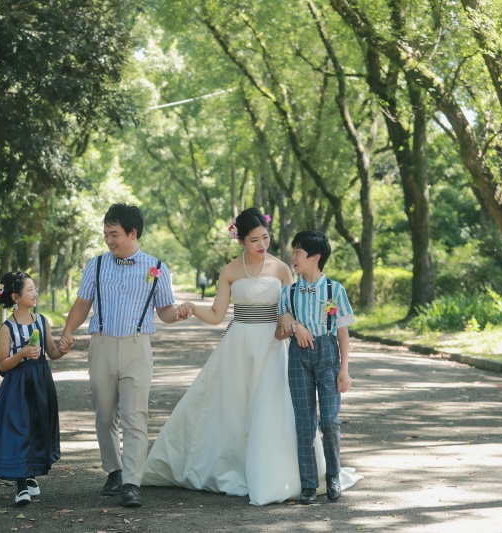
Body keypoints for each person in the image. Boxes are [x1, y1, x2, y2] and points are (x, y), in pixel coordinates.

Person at [141, 209, 360, 505]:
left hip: (273, 345)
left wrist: (292, 324)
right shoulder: (230, 271)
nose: (262, 244)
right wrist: (193, 308)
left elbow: (291, 305)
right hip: (239, 345)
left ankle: (282, 475)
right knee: (232, 408)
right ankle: (232, 465)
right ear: (241, 240)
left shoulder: (282, 268)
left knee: (271, 409)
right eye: (254, 240)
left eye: (265, 237)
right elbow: (218, 314)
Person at [58, 203, 183, 508]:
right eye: (105, 234)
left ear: (132, 233)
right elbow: (82, 304)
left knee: (135, 416)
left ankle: (131, 482)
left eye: (114, 234)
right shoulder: (96, 264)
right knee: (104, 415)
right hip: (101, 345)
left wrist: (178, 313)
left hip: (137, 347)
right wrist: (67, 332)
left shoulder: (156, 267)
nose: (109, 240)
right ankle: (114, 469)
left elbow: (165, 311)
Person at [279, 230, 355, 504]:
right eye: (294, 251)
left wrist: (344, 369)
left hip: (327, 354)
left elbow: (343, 331)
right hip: (298, 357)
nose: (294, 257)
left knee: (330, 420)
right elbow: (279, 330)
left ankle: (333, 476)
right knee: (304, 423)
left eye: (299, 251)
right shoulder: (287, 293)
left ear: (315, 257)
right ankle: (309, 484)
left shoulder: (334, 290)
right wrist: (293, 324)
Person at [0, 271, 65, 506]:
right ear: (16, 297)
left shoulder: (42, 321)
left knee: (36, 427)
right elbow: (4, 364)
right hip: (17, 384)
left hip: (40, 382)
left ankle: (29, 474)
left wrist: (63, 348)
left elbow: (52, 352)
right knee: (19, 429)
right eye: (30, 290)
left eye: (35, 288)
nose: (35, 293)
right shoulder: (7, 327)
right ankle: (21, 486)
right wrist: (22, 353)